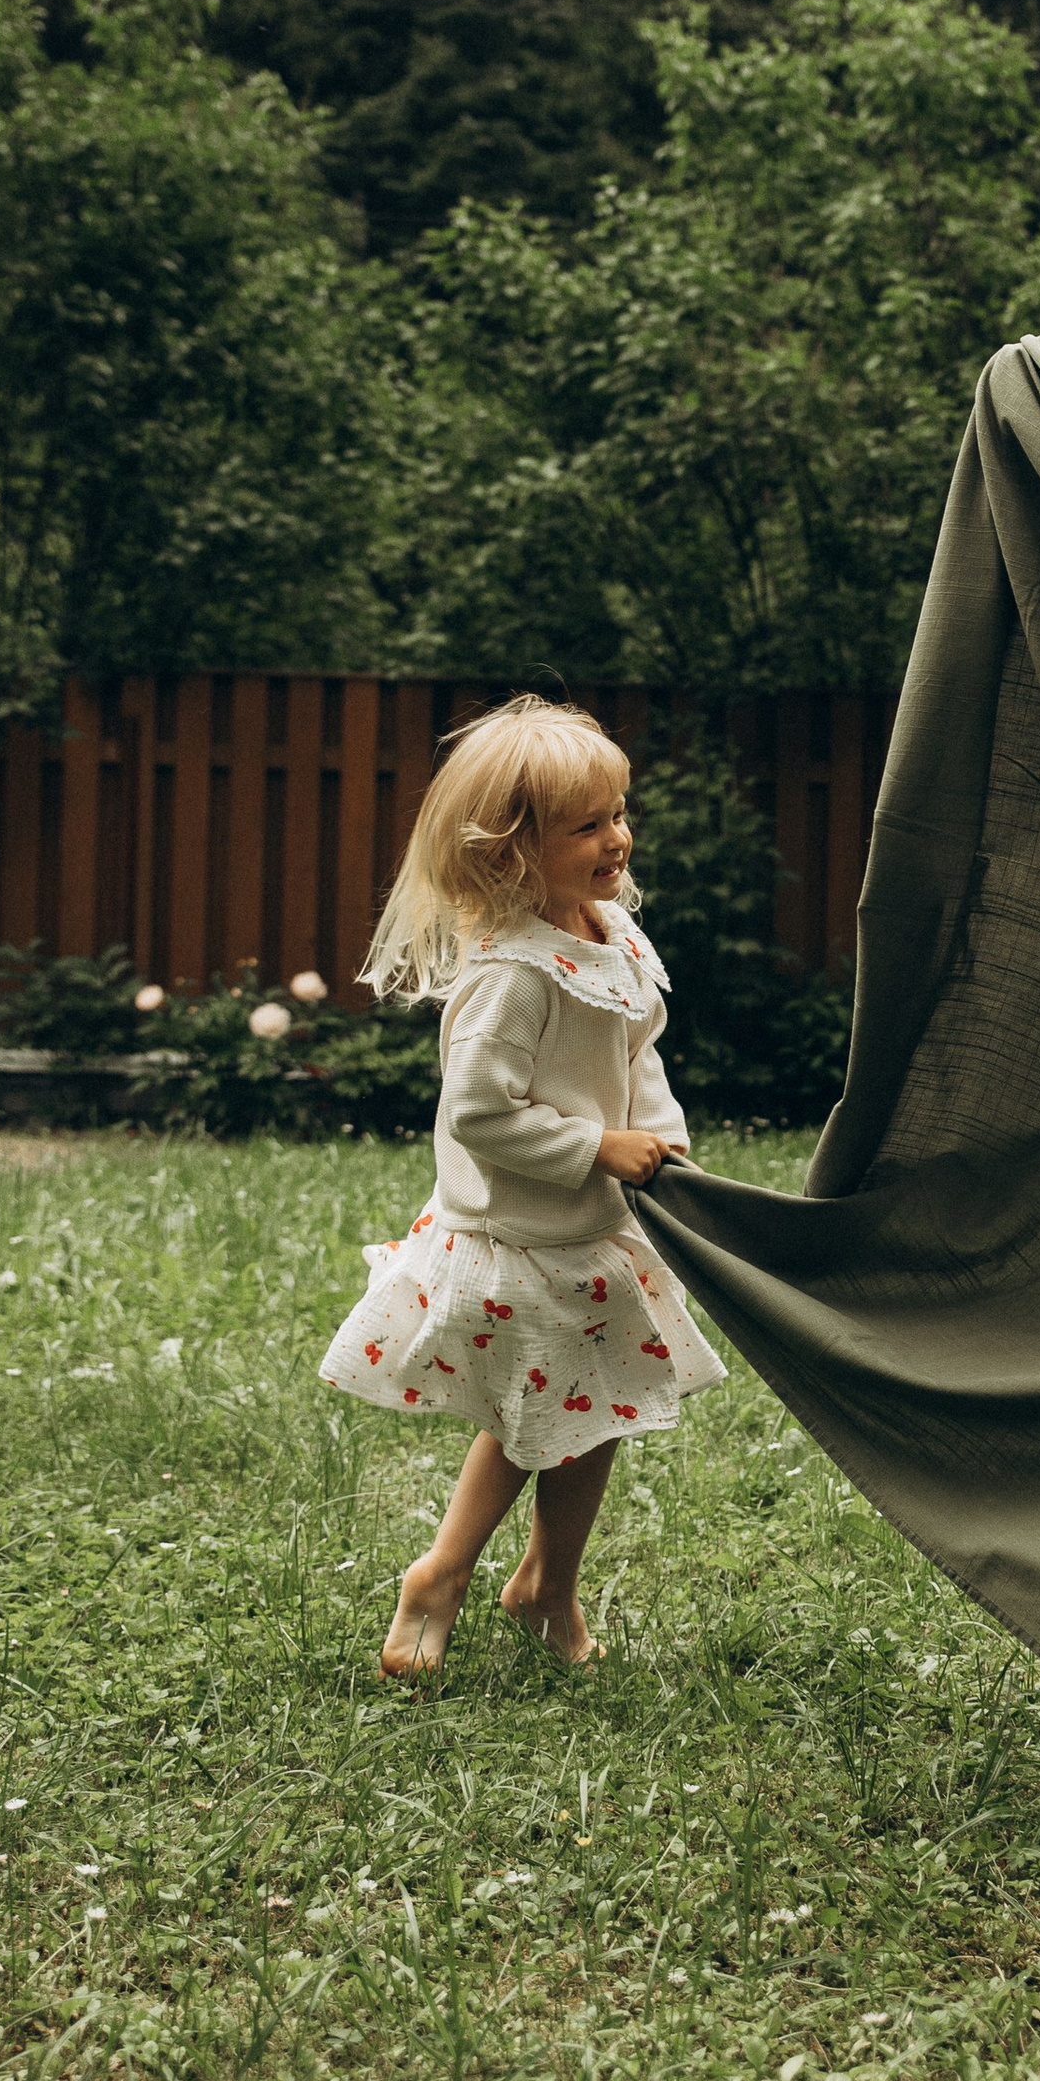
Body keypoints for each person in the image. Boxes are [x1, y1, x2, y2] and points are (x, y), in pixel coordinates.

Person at [319, 696, 724, 1678]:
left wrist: (657, 1149)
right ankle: (444, 1571)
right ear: (511, 853)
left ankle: (548, 1585)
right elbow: (481, 1113)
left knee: (600, 1411)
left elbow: (638, 1050)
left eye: (619, 812)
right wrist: (594, 1145)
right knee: (532, 1416)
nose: (617, 836)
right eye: (586, 825)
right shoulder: (511, 973)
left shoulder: (610, 932)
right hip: (521, 1233)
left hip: (597, 1230)